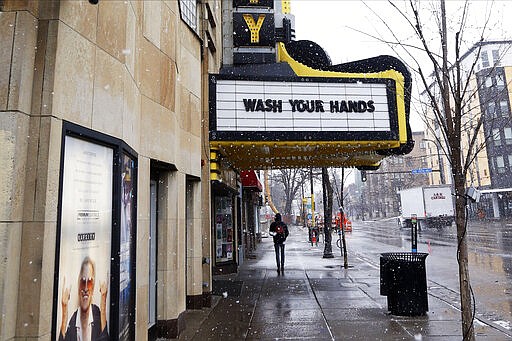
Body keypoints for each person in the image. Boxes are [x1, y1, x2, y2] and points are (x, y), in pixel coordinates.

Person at [60, 256, 109, 341]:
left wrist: (103, 298)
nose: (86, 288)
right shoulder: (73, 320)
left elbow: (104, 337)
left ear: (93, 288)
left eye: (89, 282)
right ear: (78, 286)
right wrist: (64, 308)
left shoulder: (97, 313)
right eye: (83, 282)